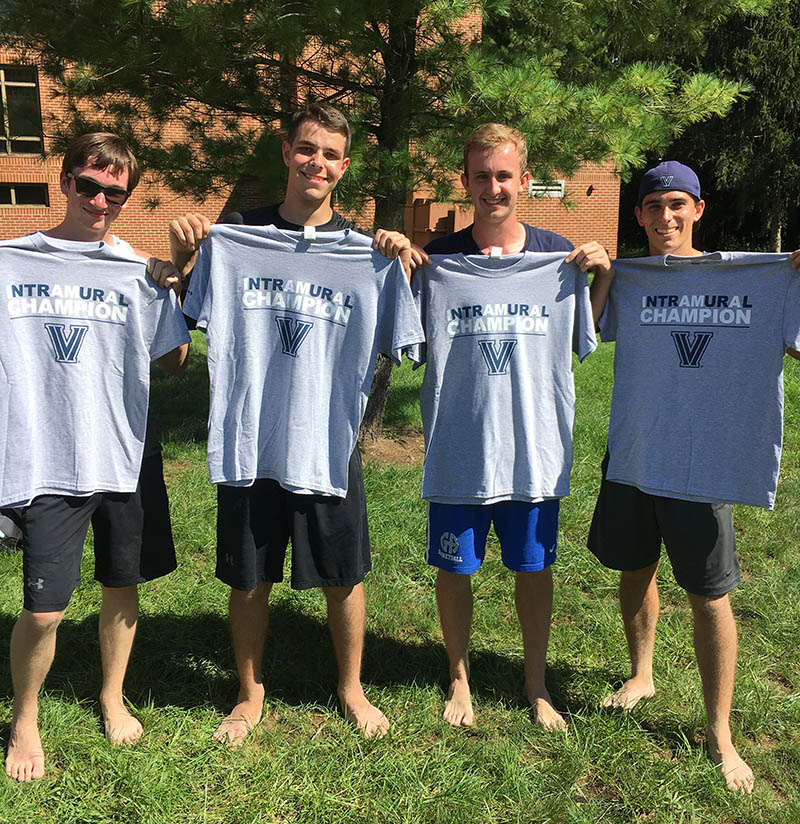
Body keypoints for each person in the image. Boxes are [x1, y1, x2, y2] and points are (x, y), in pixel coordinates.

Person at [167, 103, 421, 745]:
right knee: (250, 580)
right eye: (308, 149)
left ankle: (351, 687)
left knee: (344, 575)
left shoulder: (369, 257)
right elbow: (185, 328)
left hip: (326, 443)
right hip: (251, 441)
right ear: (287, 153)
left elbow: (408, 338)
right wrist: (186, 258)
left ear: (344, 166)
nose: (318, 164)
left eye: (332, 155)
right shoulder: (233, 240)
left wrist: (393, 256)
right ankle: (249, 695)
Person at [588, 160, 800, 793]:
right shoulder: (627, 279)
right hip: (633, 455)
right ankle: (642, 673)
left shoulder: (758, 278)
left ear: (698, 210)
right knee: (634, 570)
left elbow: (793, 345)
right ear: (640, 216)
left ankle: (720, 732)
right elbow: (588, 335)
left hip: (705, 462)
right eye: (654, 207)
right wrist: (598, 272)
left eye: (677, 204)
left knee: (709, 594)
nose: (666, 217)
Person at [1, 133, 190, 782]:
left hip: (122, 452)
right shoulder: (11, 262)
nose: (101, 200)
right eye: (89, 185)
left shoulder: (137, 269)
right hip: (45, 455)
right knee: (45, 606)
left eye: (116, 191)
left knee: (121, 585)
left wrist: (172, 285)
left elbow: (174, 360)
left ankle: (111, 696)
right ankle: (24, 717)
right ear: (64, 181)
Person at [412, 123, 613, 730]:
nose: (492, 187)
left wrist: (600, 277)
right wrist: (396, 260)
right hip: (459, 448)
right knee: (455, 569)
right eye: (481, 176)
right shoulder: (439, 264)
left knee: (534, 567)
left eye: (504, 176)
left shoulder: (558, 260)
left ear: (525, 181)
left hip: (534, 449)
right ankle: (458, 676)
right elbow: (403, 334)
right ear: (464, 182)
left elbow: (583, 338)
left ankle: (536, 682)